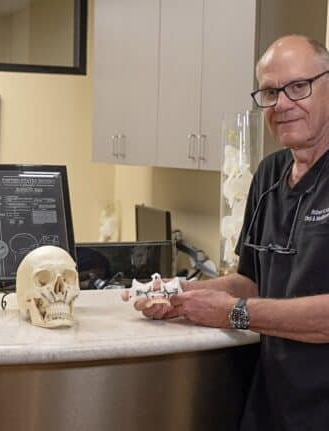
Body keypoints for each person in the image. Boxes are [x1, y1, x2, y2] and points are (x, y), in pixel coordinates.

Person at [131, 35, 329, 431]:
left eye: (298, 87)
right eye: (270, 92)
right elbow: (251, 281)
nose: (282, 104)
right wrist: (182, 294)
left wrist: (233, 313)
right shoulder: (270, 175)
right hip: (272, 404)